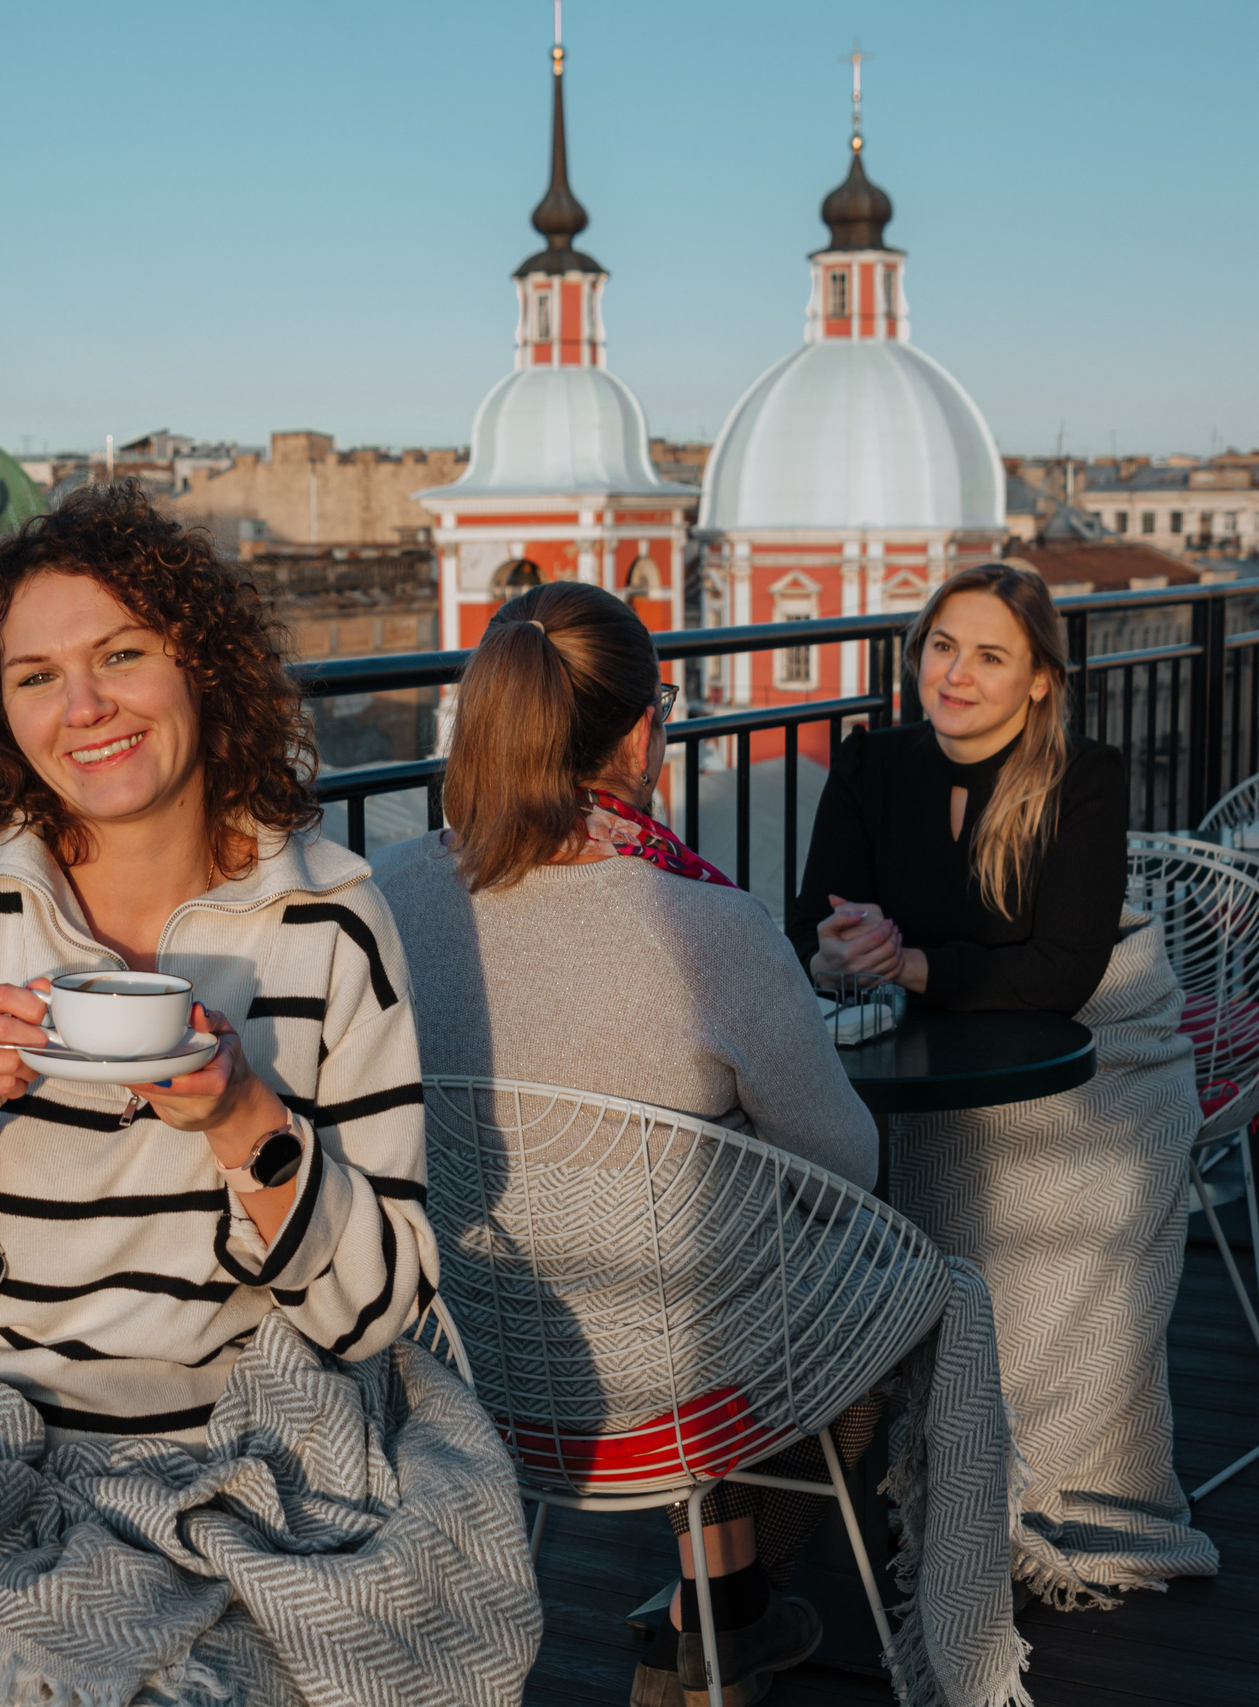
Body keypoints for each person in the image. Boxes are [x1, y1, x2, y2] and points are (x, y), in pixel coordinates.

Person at [0, 483, 438, 1436]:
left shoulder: (332, 922)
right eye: (34, 677)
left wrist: (241, 1118)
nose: (83, 707)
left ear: (202, 666)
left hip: (241, 1439)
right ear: (2, 717)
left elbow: (372, 1311)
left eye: (120, 654)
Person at [374, 582, 881, 1707]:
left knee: (703, 1262)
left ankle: (725, 1617)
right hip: (669, 1385)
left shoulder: (391, 894)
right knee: (894, 1288)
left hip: (460, 1357)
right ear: (647, 733)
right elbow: (847, 1169)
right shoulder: (704, 927)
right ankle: (728, 1620)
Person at [789, 561, 1217, 1606]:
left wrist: (916, 966)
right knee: (808, 1177)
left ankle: (1020, 1483)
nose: (957, 673)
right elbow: (813, 920)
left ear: (1036, 680)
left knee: (1045, 1207)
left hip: (1088, 1062)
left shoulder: (1083, 776)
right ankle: (875, 1433)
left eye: (989, 655)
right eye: (942, 646)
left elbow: (1065, 973)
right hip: (923, 1052)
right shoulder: (870, 764)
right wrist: (841, 952)